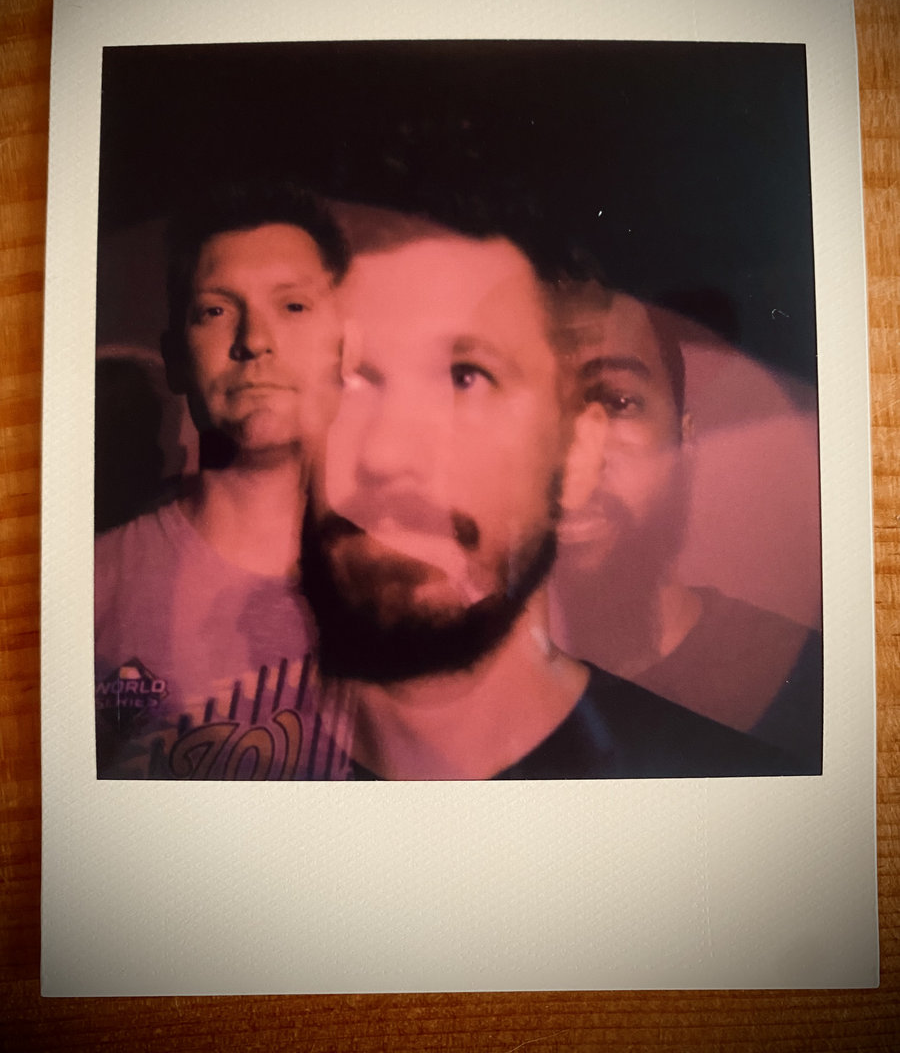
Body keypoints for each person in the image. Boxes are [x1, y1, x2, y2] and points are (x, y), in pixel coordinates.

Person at [300, 208, 805, 780]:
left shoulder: (769, 717)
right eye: (346, 378)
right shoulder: (255, 741)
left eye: (467, 377)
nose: (386, 453)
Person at [94, 178, 355, 780]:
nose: (255, 341)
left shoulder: (406, 597)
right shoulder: (91, 590)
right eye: (215, 310)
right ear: (177, 359)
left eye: (293, 306)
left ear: (342, 350)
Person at [549, 287, 822, 771]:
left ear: (685, 441)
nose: (573, 459)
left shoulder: (805, 690)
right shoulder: (438, 706)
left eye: (617, 401)